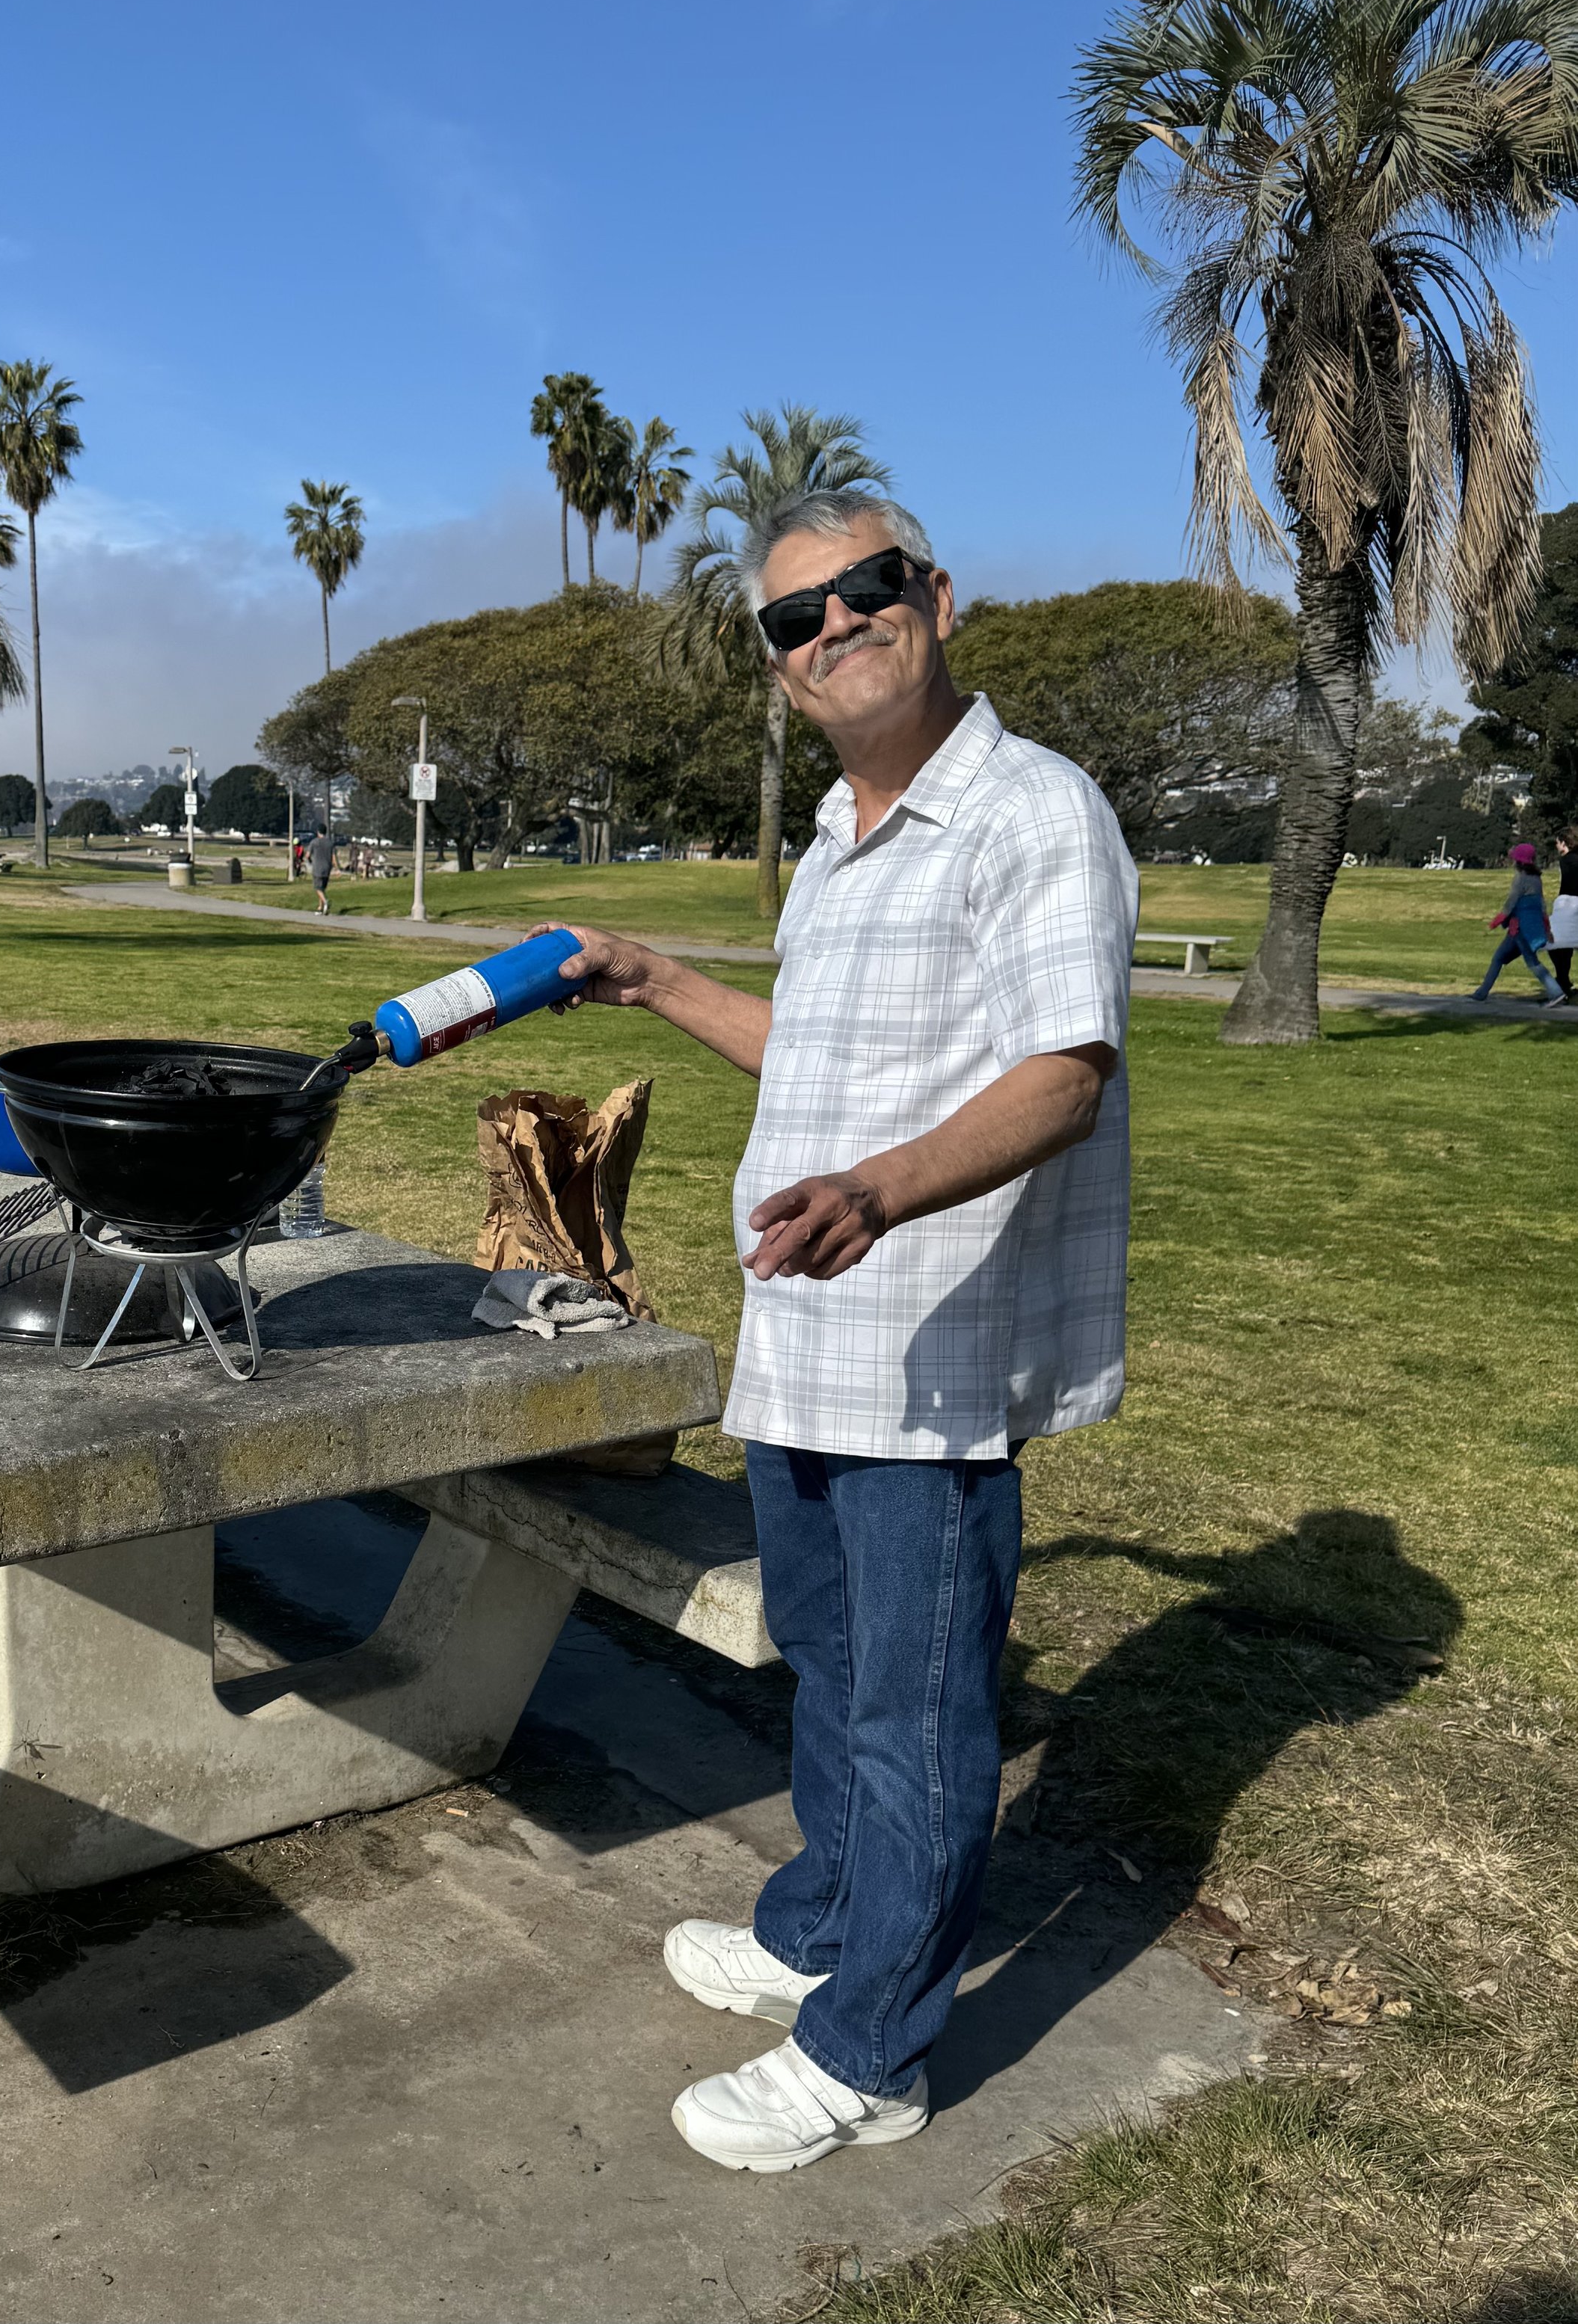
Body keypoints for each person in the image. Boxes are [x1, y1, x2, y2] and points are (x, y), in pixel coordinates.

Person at [548, 489, 1138, 2172]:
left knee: (918, 1705)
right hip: (801, 1340)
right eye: (789, 619)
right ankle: (822, 1912)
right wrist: (659, 981)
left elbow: (1061, 1074)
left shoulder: (1030, 811)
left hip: (928, 1353)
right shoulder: (837, 829)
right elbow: (807, 1043)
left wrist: (879, 1191)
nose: (828, 630)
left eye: (860, 592)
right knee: (824, 1662)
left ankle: (872, 2040)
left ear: (933, 597)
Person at [1473, 842, 1564, 1005]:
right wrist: (1547, 927)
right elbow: (1541, 904)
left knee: (1532, 962)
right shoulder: (1537, 878)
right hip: (1529, 927)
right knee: (1499, 958)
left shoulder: (1520, 879)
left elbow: (1511, 903)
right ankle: (1481, 993)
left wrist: (1497, 921)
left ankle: (1556, 992)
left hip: (1520, 928)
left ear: (1519, 861)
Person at [1550, 831, 1578, 998]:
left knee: (1556, 944)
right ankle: (1564, 982)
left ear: (1564, 843)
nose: (1557, 845)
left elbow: (1566, 885)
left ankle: (1563, 981)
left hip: (1569, 904)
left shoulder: (1566, 861)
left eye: (1558, 842)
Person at [306, 828, 334, 915]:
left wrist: (310, 861)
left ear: (318, 832)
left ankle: (326, 902)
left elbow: (307, 855)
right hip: (327, 868)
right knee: (322, 888)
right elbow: (333, 856)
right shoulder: (330, 843)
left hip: (317, 868)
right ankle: (320, 908)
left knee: (317, 888)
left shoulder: (314, 842)